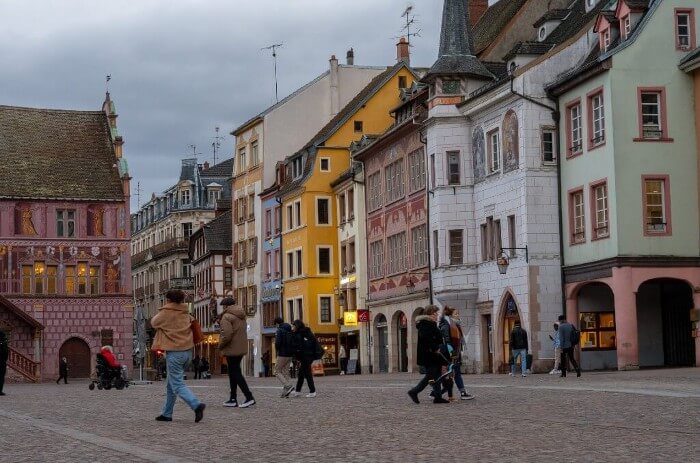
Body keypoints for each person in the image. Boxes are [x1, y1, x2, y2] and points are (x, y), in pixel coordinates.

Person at [151, 289, 205, 423]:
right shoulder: (186, 312)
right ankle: (167, 414)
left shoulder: (166, 312)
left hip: (175, 353)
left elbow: (153, 323)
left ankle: (196, 404)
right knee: (171, 385)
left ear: (168, 300)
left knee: (178, 385)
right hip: (187, 352)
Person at [408, 305, 449, 404]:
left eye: (437, 313)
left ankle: (438, 396)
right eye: (436, 313)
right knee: (430, 376)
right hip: (429, 355)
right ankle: (414, 391)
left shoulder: (431, 323)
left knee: (436, 375)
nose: (437, 315)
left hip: (434, 354)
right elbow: (427, 339)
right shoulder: (425, 324)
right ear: (430, 314)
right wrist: (435, 348)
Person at [219, 297, 256, 408]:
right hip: (240, 347)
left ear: (226, 306)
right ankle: (233, 398)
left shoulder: (226, 316)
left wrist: (221, 345)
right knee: (233, 372)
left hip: (231, 347)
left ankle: (249, 397)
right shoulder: (241, 315)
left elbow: (227, 334)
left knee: (235, 373)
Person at [439, 307, 475, 400]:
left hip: (456, 353)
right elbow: (447, 340)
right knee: (450, 375)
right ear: (450, 316)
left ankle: (462, 392)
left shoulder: (456, 325)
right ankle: (436, 392)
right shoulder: (447, 325)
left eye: (458, 313)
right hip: (450, 354)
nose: (458, 315)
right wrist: (452, 352)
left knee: (455, 373)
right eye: (456, 314)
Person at [290, 319, 319, 398]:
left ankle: (312, 391)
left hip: (305, 356)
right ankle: (298, 391)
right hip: (308, 356)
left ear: (297, 326)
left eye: (294, 325)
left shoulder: (300, 334)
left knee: (308, 374)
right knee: (301, 374)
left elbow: (299, 346)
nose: (293, 327)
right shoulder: (307, 332)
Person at [274, 316, 295, 397]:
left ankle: (288, 385)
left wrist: (277, 350)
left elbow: (278, 343)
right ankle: (285, 392)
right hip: (290, 354)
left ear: (277, 323)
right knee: (286, 372)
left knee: (277, 371)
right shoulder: (290, 330)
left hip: (282, 354)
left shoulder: (280, 330)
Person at [0, 330, 8, 396]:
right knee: (1, 377)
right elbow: (5, 353)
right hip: (1, 362)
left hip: (2, 361)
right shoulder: (4, 343)